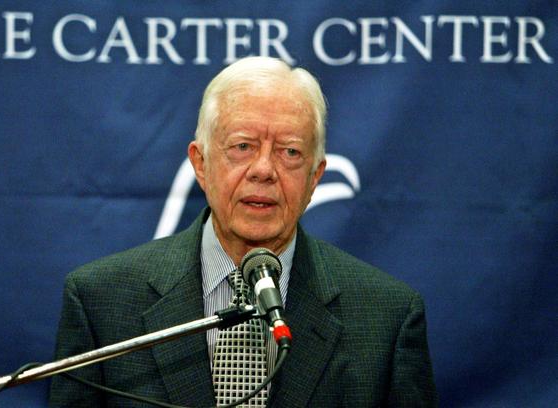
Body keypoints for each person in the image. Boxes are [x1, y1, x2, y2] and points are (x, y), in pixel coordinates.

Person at [49, 56, 437, 407]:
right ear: (200, 164)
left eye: (290, 152)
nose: (264, 169)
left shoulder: (386, 318)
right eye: (243, 146)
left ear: (315, 177)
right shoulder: (102, 302)